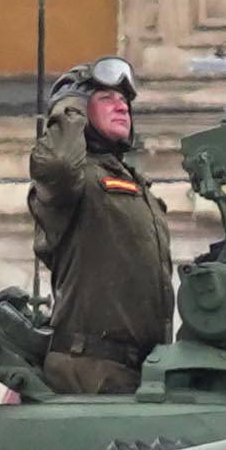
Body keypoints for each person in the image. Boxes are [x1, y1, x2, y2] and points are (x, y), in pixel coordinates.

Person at [27, 55, 178, 397]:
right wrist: (68, 106)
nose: (122, 107)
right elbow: (59, 164)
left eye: (125, 100)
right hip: (90, 370)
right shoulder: (74, 182)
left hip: (140, 371)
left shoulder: (135, 185)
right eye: (106, 99)